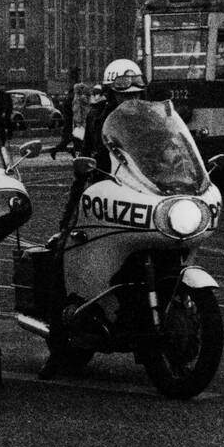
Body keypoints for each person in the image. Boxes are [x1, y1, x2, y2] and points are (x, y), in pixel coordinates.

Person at [42, 58, 147, 379]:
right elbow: (87, 162)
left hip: (142, 196)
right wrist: (69, 215)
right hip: (104, 196)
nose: (131, 100)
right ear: (110, 94)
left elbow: (167, 149)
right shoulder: (98, 118)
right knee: (67, 255)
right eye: (124, 94)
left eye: (136, 94)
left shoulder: (149, 118)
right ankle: (62, 347)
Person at [47, 82, 88, 159]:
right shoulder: (75, 99)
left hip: (71, 123)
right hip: (73, 124)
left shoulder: (70, 98)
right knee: (74, 141)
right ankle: (56, 150)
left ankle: (72, 153)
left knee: (75, 141)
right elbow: (76, 112)